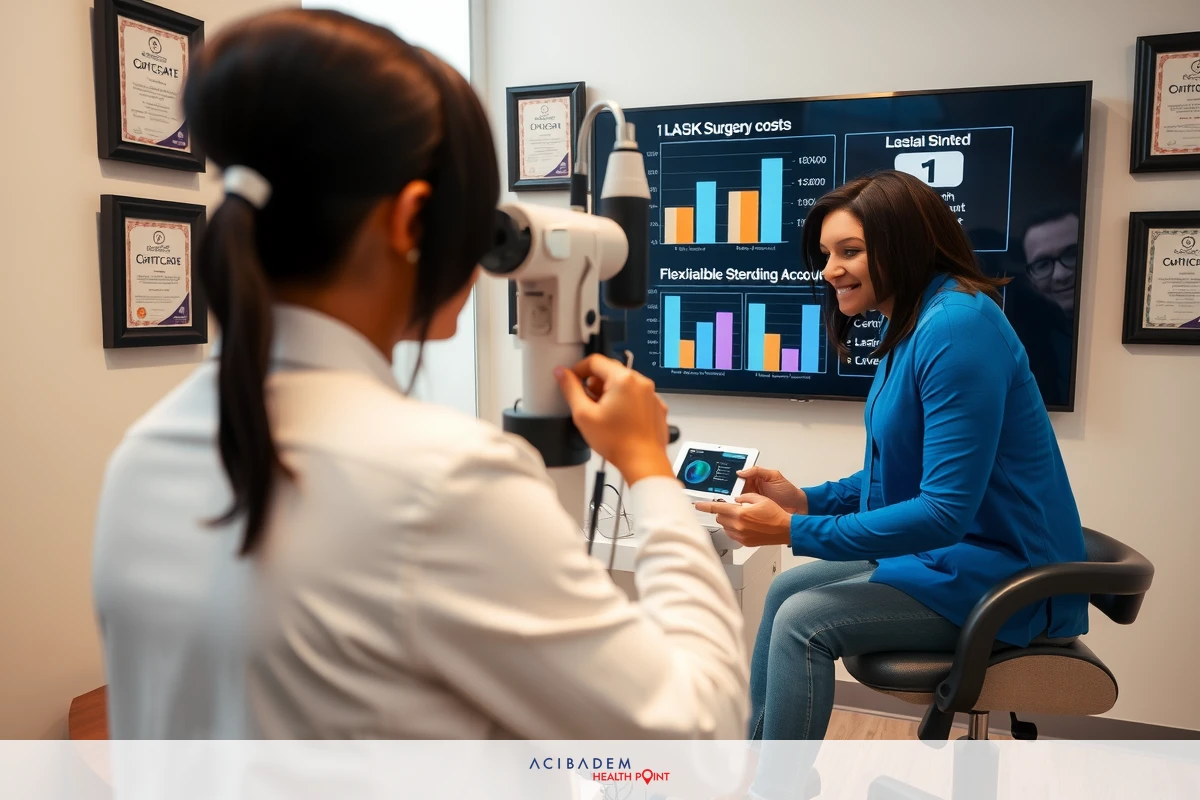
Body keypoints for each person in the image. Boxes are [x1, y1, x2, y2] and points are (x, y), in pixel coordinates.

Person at [91, 9, 747, 740]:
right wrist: (651, 472)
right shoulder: (445, 483)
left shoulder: (141, 456)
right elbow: (699, 735)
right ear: (412, 222)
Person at [695, 170, 1088, 742]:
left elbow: (942, 511)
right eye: (827, 254)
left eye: (849, 251)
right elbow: (894, 476)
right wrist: (804, 499)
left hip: (1007, 576)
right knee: (783, 590)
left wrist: (793, 530)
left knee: (803, 622)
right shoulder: (914, 325)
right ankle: (755, 764)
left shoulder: (956, 328)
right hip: (954, 556)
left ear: (904, 244)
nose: (829, 270)